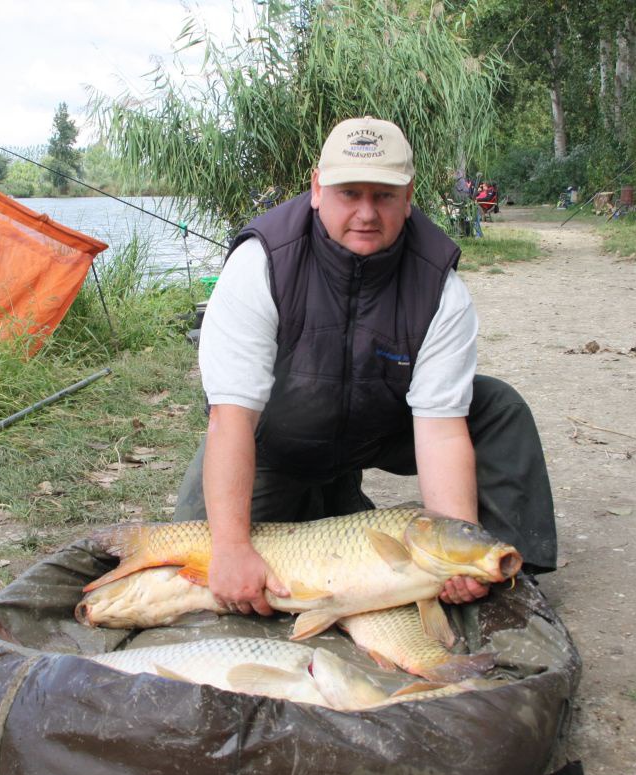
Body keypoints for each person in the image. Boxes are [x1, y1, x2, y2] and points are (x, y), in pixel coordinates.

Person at [174, 116, 557, 616]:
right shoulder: (261, 263)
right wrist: (230, 549)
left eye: (384, 195)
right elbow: (231, 418)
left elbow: (441, 430)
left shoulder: (438, 283)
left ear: (409, 195)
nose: (366, 213)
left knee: (497, 407)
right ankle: (322, 499)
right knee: (198, 577)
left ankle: (505, 576)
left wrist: (453, 553)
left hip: (381, 426)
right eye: (349, 193)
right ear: (317, 189)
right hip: (273, 438)